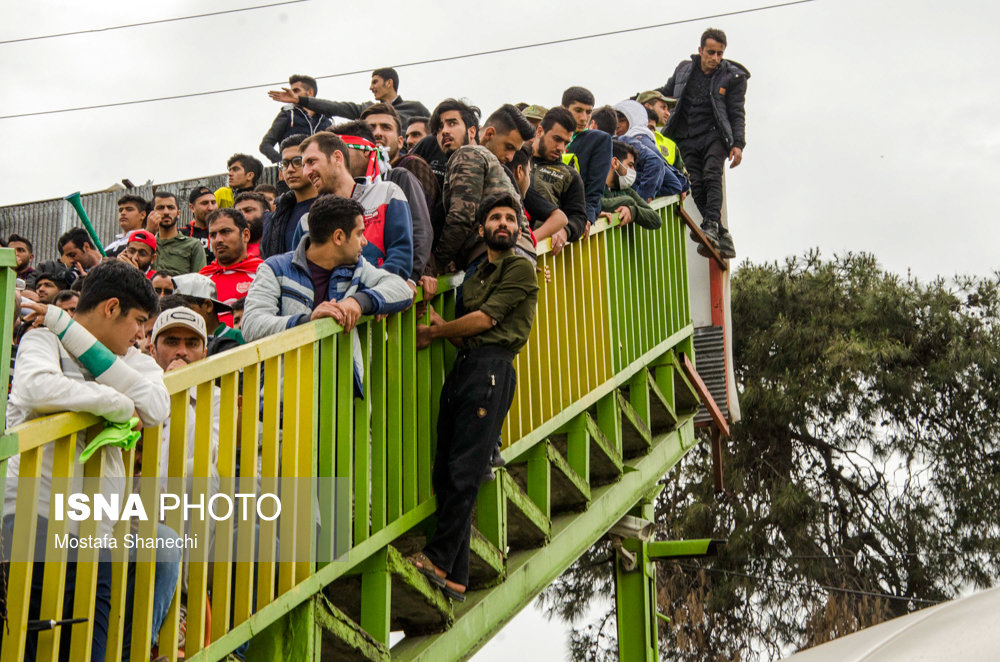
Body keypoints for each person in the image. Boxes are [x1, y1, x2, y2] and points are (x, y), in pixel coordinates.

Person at [3, 261, 178, 662]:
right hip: (34, 520)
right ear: (111, 307)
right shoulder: (42, 338)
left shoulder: (134, 359)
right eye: (137, 320)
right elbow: (33, 388)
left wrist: (68, 328)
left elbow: (154, 406)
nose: (141, 335)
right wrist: (116, 403)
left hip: (96, 532)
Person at [408, 192, 538, 603]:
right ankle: (457, 575)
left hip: (492, 370)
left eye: (509, 219)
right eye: (495, 218)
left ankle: (438, 559)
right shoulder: (476, 272)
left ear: (518, 228)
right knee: (447, 468)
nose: (503, 224)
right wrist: (445, 324)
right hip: (465, 365)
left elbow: (485, 320)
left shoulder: (521, 266)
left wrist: (435, 332)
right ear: (482, 229)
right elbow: (466, 328)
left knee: (465, 468)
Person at [241, 195, 413, 392]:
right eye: (359, 234)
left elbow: (402, 289)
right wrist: (308, 321)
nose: (364, 242)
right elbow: (252, 324)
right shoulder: (274, 268)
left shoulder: (357, 267)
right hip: (284, 403)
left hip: (340, 401)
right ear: (338, 237)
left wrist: (357, 302)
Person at [658, 27, 749, 258]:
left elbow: (737, 112)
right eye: (711, 53)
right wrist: (638, 100)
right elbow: (666, 93)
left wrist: (738, 144)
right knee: (696, 183)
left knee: (711, 175)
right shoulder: (684, 70)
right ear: (700, 50)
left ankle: (709, 226)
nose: (715, 59)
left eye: (720, 53)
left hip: (715, 134)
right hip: (686, 136)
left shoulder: (732, 76)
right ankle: (722, 234)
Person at [431, 99, 534, 272]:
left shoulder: (468, 153)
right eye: (440, 128)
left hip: (493, 258)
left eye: (452, 123)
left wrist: (435, 265)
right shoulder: (490, 163)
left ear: (472, 131)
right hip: (514, 255)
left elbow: (461, 217)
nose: (510, 158)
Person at [298, 129, 414, 280]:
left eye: (311, 162)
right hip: (331, 303)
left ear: (337, 158)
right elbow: (301, 275)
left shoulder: (387, 193)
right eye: (304, 166)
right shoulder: (307, 220)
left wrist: (360, 298)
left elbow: (400, 260)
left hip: (376, 299)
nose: (306, 172)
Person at [358, 107, 435, 291]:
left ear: (401, 142)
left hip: (397, 285)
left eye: (386, 127)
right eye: (371, 128)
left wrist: (415, 275)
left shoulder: (405, 173)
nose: (377, 133)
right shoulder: (355, 182)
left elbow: (422, 226)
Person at [268, 67, 431, 125]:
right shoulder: (367, 109)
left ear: (389, 83)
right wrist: (300, 100)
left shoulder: (415, 108)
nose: (371, 87)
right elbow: (336, 107)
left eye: (375, 82)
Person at [530, 107, 588, 252]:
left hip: (544, 253)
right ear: (539, 131)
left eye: (566, 142)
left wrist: (565, 231)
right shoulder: (515, 159)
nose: (561, 147)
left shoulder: (570, 175)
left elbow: (579, 217)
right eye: (557, 139)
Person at [561, 87, 614, 228]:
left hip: (576, 220)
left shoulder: (599, 139)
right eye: (578, 111)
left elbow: (595, 186)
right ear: (563, 109)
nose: (584, 118)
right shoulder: (552, 137)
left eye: (588, 112)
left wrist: (588, 216)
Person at [261, 134, 318, 258]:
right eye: (285, 163)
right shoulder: (279, 215)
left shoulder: (331, 205)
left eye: (297, 162)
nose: (290, 169)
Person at [259, 74, 333, 164]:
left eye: (296, 91)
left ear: (310, 92)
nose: (291, 94)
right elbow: (265, 145)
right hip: (294, 171)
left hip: (319, 171)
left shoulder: (325, 120)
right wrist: (283, 162)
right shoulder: (287, 115)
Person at [199, 208, 263, 309]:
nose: (218, 240)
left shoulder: (263, 273)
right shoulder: (202, 279)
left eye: (225, 232)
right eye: (213, 235)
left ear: (245, 235)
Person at [172, 273, 244, 355]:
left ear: (208, 306)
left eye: (187, 309)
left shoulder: (238, 336)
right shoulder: (181, 343)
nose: (182, 316)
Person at [602, 141, 662, 230]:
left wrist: (633, 211)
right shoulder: (594, 186)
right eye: (630, 165)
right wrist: (628, 200)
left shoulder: (626, 190)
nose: (633, 170)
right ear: (615, 163)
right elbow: (599, 204)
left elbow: (656, 220)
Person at [150, 190, 207, 275]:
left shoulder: (193, 245)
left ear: (179, 213)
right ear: (152, 213)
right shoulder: (147, 245)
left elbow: (199, 282)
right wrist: (149, 232)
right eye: (160, 208)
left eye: (171, 207)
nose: (166, 212)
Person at [184, 185, 218, 262]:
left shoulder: (226, 232)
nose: (211, 208)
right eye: (205, 203)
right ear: (192, 208)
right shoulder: (182, 234)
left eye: (213, 202)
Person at [233, 191, 269, 257]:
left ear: (266, 214)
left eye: (248, 210)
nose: (242, 215)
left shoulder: (277, 248)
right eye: (238, 213)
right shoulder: (229, 252)